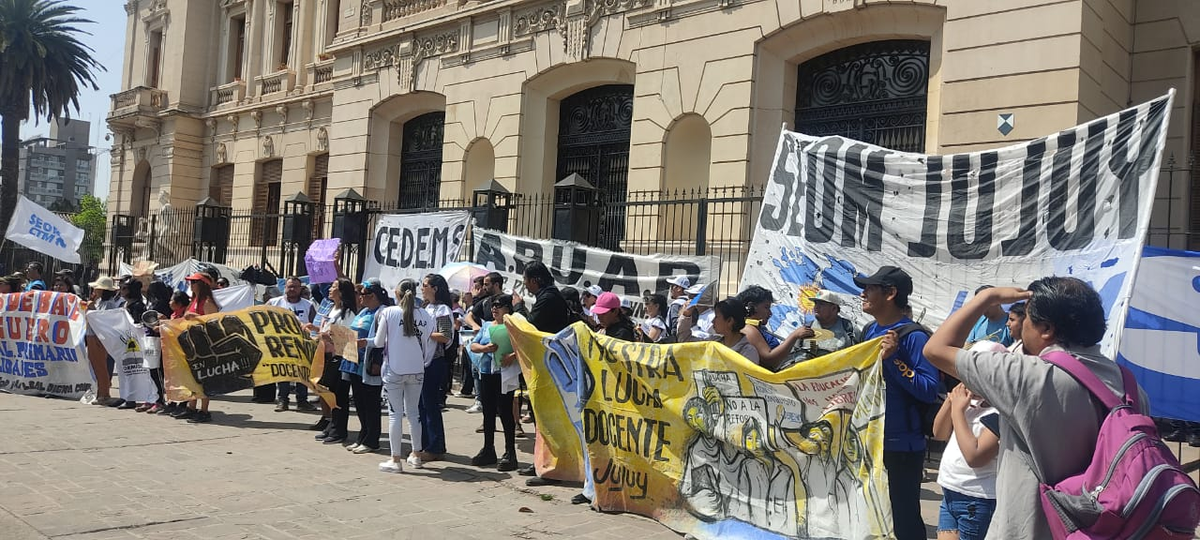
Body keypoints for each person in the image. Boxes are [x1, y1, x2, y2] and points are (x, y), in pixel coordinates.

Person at [922, 277, 1148, 540]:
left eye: (1027, 317)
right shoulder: (1130, 386)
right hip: (1104, 529)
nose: (1021, 325)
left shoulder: (1026, 376)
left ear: (1046, 329)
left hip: (1030, 529)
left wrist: (987, 298)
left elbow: (936, 349)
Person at [856, 265, 940, 540]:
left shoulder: (914, 336)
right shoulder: (869, 330)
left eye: (869, 288)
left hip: (902, 446)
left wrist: (894, 360)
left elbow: (929, 389)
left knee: (903, 521)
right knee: (870, 516)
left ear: (891, 293)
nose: (863, 293)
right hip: (870, 440)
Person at [932, 356, 1000, 540]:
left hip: (976, 499)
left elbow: (975, 456)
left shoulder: (999, 412)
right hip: (950, 492)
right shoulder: (969, 405)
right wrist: (950, 402)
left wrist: (957, 412)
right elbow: (939, 433)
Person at [375, 280, 438, 473]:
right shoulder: (425, 314)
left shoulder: (389, 312)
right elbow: (430, 343)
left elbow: (378, 342)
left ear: (397, 293)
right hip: (417, 368)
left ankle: (395, 459)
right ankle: (416, 455)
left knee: (395, 415)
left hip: (394, 368)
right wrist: (424, 361)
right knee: (414, 413)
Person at [468, 294, 521, 472]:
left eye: (498, 305)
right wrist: (485, 348)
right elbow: (473, 345)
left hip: (504, 374)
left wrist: (512, 356)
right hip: (487, 372)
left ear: (508, 308)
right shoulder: (486, 326)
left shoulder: (513, 327)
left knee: (505, 412)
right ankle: (488, 449)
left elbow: (523, 347)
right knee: (488, 412)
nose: (494, 308)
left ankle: (510, 452)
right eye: (493, 305)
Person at [307, 278, 357, 444]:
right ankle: (332, 425)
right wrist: (316, 330)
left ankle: (339, 430)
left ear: (342, 292)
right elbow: (328, 329)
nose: (329, 289)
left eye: (334, 287)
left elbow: (347, 336)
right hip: (328, 355)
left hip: (341, 357)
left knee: (340, 396)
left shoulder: (348, 313)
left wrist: (327, 336)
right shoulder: (332, 309)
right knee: (332, 393)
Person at [343, 279, 389, 454]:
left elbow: (383, 340)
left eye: (362, 294)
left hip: (370, 363)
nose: (359, 297)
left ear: (373, 296)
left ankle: (372, 439)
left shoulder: (382, 313)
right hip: (355, 362)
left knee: (371, 403)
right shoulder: (363, 312)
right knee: (360, 402)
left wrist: (377, 361)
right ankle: (362, 435)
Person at [416, 273, 455, 461]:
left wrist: (425, 333)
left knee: (430, 404)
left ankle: (436, 446)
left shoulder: (443, 310)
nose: (422, 288)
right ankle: (424, 443)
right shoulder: (425, 307)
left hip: (435, 361)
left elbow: (445, 335)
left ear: (435, 288)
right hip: (422, 360)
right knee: (421, 405)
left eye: (425, 285)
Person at [174, 272, 221, 423]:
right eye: (191, 282)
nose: (191, 284)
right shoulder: (194, 300)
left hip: (204, 345)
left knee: (203, 378)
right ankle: (191, 407)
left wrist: (195, 318)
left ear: (202, 284)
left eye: (194, 282)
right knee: (192, 377)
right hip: (192, 343)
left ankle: (204, 410)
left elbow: (213, 323)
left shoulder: (207, 302)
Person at [268, 277, 318, 413]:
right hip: (281, 345)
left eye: (295, 287)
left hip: (302, 345)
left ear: (300, 288)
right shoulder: (274, 303)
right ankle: (282, 400)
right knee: (283, 373)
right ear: (285, 287)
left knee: (303, 374)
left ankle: (302, 401)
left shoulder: (308, 305)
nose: (292, 289)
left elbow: (315, 324)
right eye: (290, 286)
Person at [737, 286, 816, 370]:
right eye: (766, 307)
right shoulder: (748, 330)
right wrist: (794, 336)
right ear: (751, 307)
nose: (770, 313)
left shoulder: (758, 328)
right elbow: (769, 359)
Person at [676, 298, 760, 364]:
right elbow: (685, 340)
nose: (713, 321)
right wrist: (686, 314)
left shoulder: (748, 352)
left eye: (716, 316)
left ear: (730, 321)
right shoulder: (713, 343)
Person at [85, 276, 123, 407]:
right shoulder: (101, 301)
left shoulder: (108, 304)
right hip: (92, 335)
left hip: (98, 337)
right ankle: (100, 392)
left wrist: (91, 309)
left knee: (100, 365)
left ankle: (104, 393)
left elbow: (102, 321)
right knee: (95, 365)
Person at [804, 290, 860, 359]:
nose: (816, 307)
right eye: (816, 303)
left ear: (834, 308)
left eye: (821, 304)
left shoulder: (850, 329)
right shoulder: (807, 328)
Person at [523, 262, 570, 334]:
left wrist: (518, 306)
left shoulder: (547, 299)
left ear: (533, 281)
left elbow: (527, 327)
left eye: (525, 278)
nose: (524, 282)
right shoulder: (550, 294)